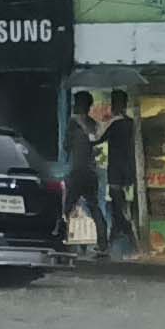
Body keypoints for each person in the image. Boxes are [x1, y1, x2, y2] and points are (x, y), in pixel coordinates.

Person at [63, 88, 110, 256]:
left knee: (66, 207)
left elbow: (66, 146)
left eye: (77, 104)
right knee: (94, 207)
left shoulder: (75, 123)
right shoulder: (92, 123)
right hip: (90, 172)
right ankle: (103, 244)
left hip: (78, 171)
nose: (75, 107)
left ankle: (58, 237)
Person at [99, 93, 141, 256]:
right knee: (119, 208)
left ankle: (134, 244)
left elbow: (98, 140)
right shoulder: (130, 123)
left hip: (116, 171)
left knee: (121, 209)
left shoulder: (115, 124)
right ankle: (110, 244)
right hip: (129, 172)